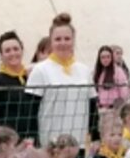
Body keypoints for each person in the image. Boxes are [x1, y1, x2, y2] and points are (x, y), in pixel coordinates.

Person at [26, 14, 94, 147]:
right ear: (51, 42)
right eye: (58, 39)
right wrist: (33, 140)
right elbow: (30, 110)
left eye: (67, 39)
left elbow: (93, 107)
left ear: (73, 41)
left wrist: (94, 136)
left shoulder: (84, 70)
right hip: (51, 144)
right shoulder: (40, 70)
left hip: (79, 143)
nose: (63, 43)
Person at [0, 31, 39, 142]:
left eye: (16, 49)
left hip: (33, 139)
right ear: (1, 55)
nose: (13, 53)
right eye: (7, 51)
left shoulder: (31, 77)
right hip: (9, 142)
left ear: (22, 50)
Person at [93, 44, 130, 110]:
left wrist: (119, 107)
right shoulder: (98, 72)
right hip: (100, 108)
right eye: (103, 57)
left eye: (108, 57)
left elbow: (124, 92)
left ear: (111, 58)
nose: (105, 60)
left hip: (113, 108)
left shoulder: (118, 71)